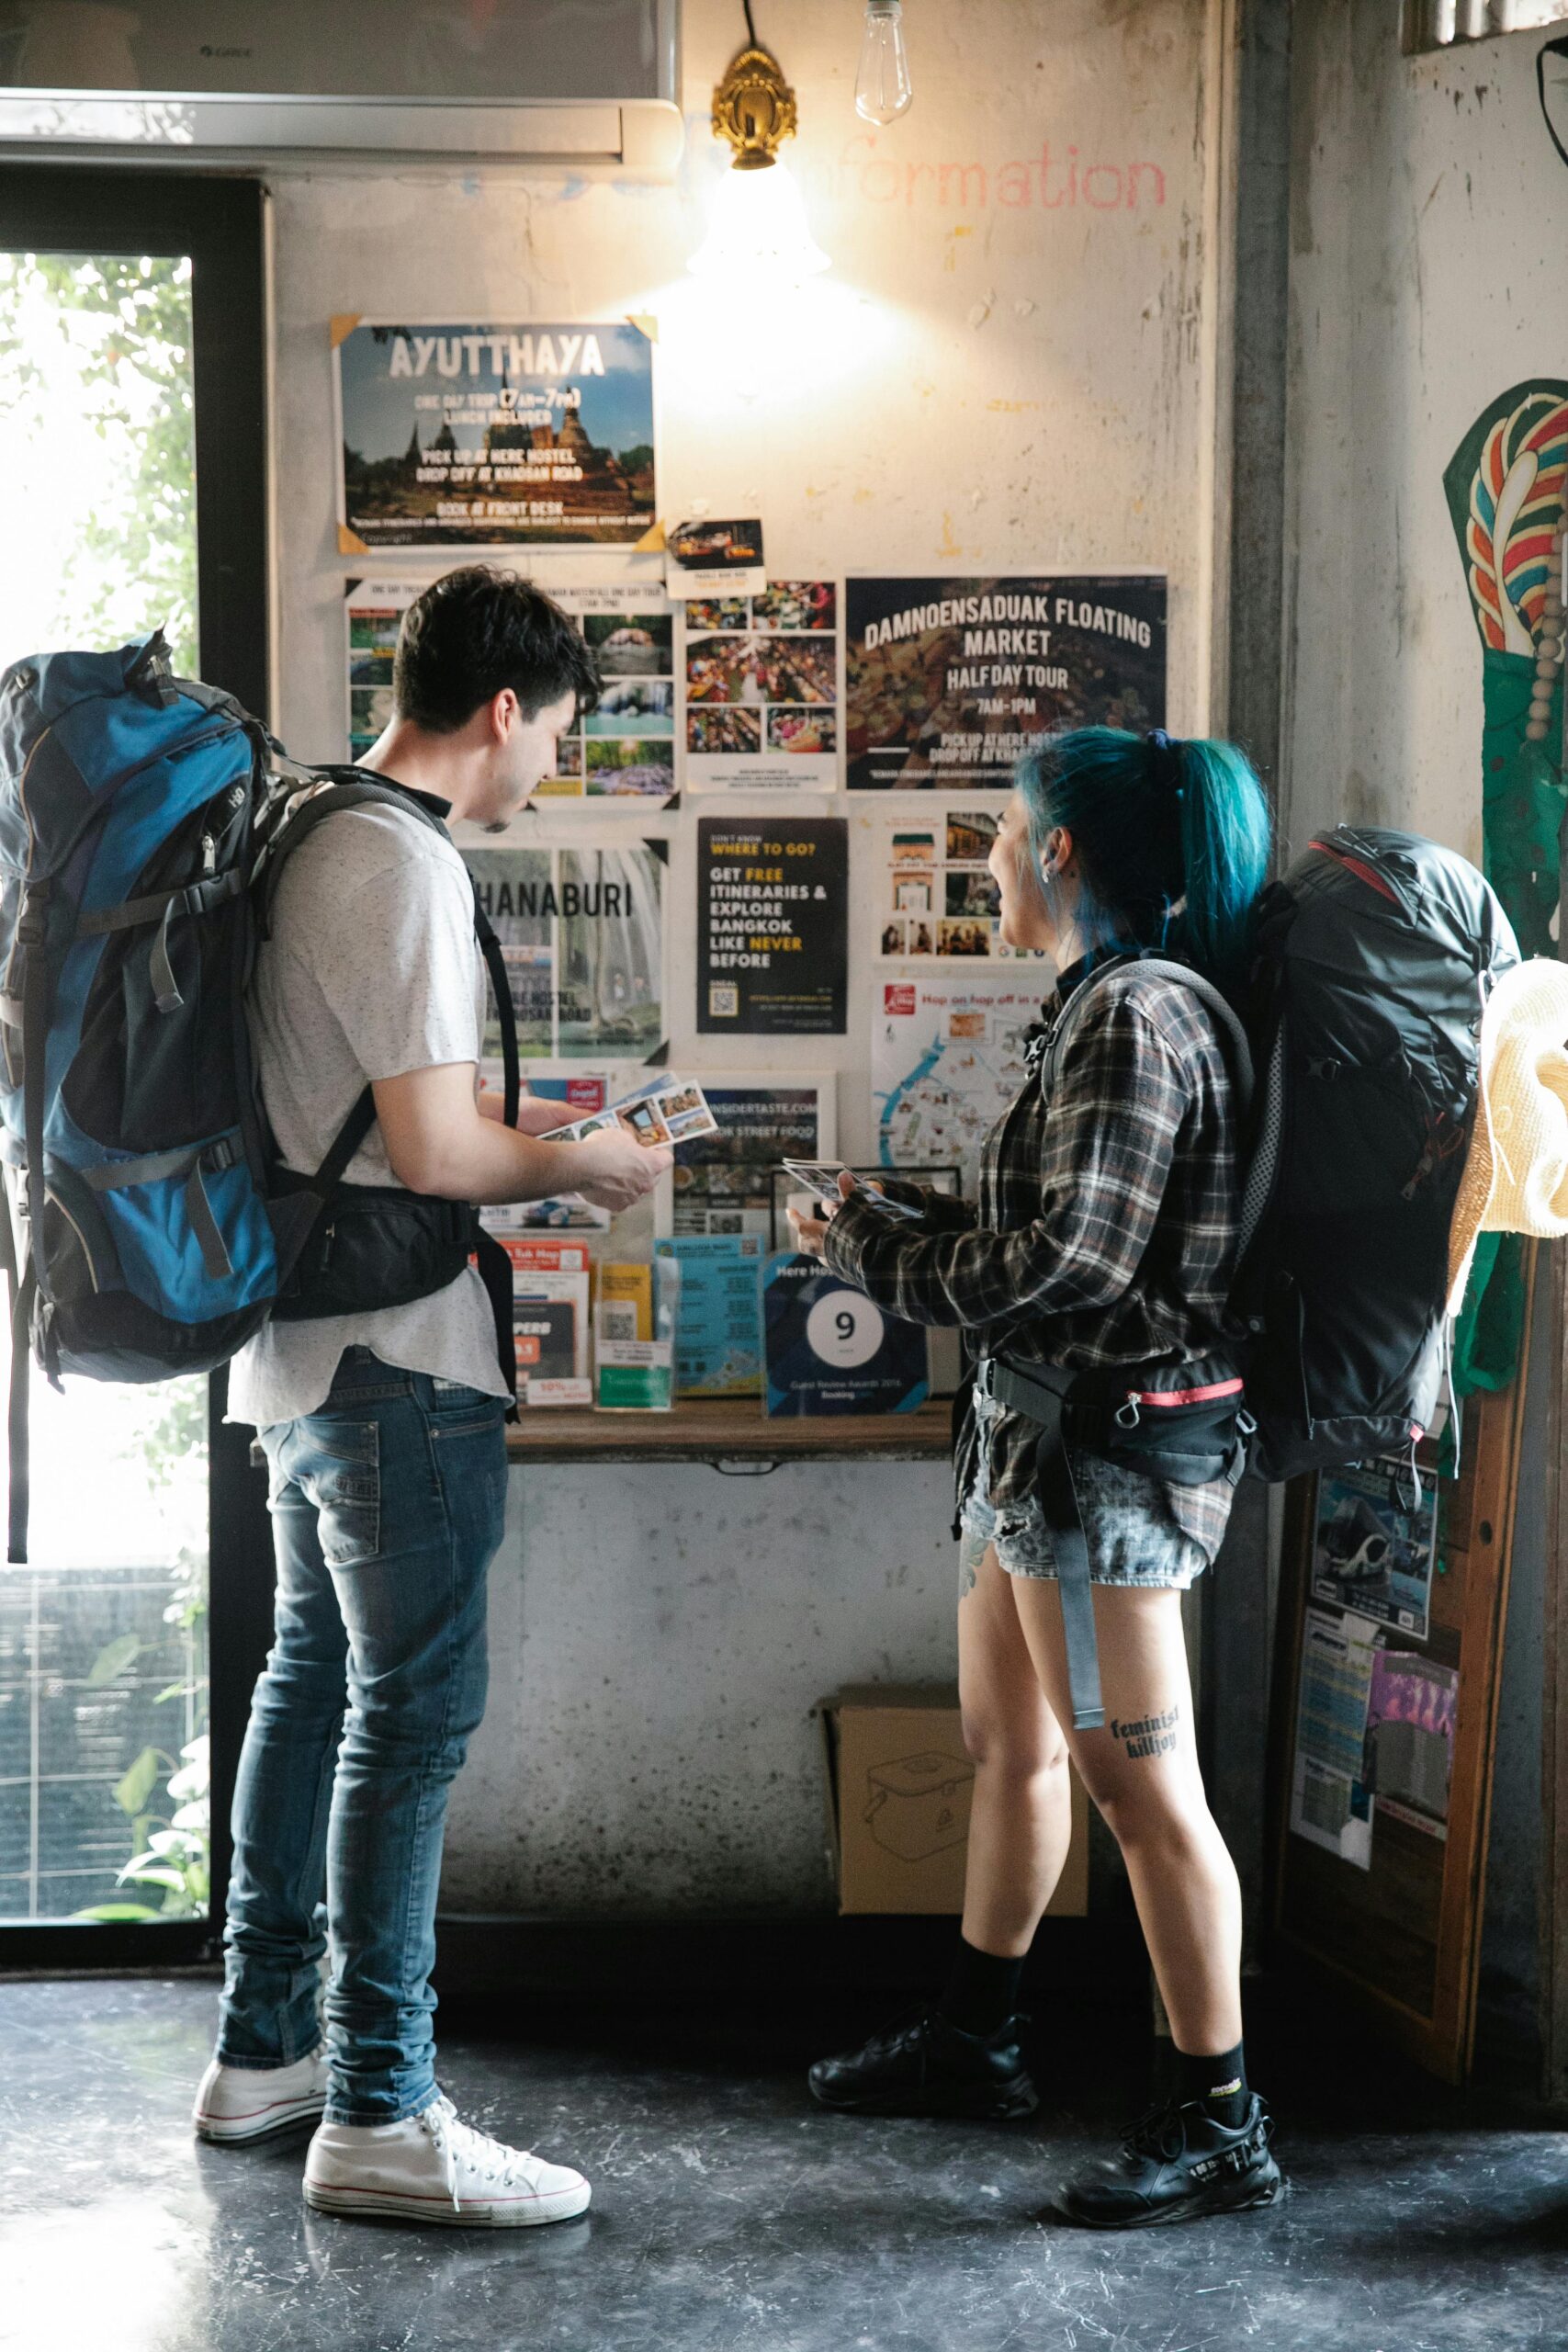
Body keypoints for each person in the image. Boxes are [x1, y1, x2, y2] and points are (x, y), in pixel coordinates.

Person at [192, 567, 670, 2226]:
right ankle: (384, 2112)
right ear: (503, 713)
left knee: (313, 1683)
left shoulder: (299, 825)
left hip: (306, 1350)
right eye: (561, 734)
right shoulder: (392, 860)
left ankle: (268, 2052)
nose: (553, 765)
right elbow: (436, 1151)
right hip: (395, 1356)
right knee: (410, 1717)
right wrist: (590, 1165)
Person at [794, 726, 1282, 2229]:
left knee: (1150, 1794)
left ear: (1061, 852)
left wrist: (873, 1252)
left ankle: (1218, 2120)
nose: (993, 854)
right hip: (1034, 1441)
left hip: (1106, 1467)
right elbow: (1060, 1221)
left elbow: (1073, 1266)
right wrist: (904, 1209)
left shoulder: (1137, 1016)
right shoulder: (1098, 1009)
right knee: (1007, 1745)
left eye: (1006, 830)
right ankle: (975, 2039)